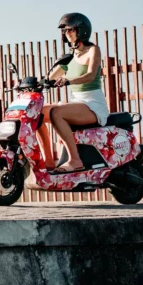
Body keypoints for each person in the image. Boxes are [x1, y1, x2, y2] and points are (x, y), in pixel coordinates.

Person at [38, 12, 108, 174]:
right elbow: (49, 77)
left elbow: (90, 75)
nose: (67, 34)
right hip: (77, 103)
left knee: (56, 113)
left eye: (70, 30)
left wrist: (69, 80)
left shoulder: (93, 51)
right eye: (65, 31)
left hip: (93, 105)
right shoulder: (70, 57)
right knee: (38, 113)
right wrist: (33, 84)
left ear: (81, 30)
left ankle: (75, 160)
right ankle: (48, 162)